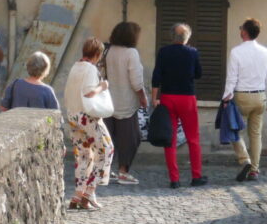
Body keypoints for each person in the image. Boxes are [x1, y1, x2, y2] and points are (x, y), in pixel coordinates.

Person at [151, 23, 206, 188]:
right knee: (193, 138)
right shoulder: (193, 53)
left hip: (168, 97)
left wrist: (155, 98)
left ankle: (174, 179)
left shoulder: (163, 52)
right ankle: (196, 176)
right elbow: (199, 74)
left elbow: (156, 76)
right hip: (187, 98)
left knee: (170, 139)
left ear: (171, 36)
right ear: (187, 37)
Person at [222, 18, 267, 183]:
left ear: (244, 32)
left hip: (241, 96)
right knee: (256, 134)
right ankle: (254, 170)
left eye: (240, 28)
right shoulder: (265, 52)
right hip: (260, 96)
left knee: (232, 129)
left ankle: (244, 159)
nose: (240, 31)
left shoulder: (236, 52)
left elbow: (231, 78)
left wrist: (226, 97)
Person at [64, 38, 114, 211]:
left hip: (73, 115)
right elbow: (89, 93)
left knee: (84, 155)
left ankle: (77, 195)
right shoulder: (91, 69)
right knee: (107, 148)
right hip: (87, 116)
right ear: (98, 55)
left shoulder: (75, 66)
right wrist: (103, 86)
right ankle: (89, 192)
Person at [104, 21, 148, 185]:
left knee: (109, 138)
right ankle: (123, 171)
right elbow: (136, 81)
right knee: (131, 138)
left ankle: (105, 170)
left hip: (109, 100)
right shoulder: (131, 53)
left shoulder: (108, 51)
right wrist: (143, 97)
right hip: (126, 102)